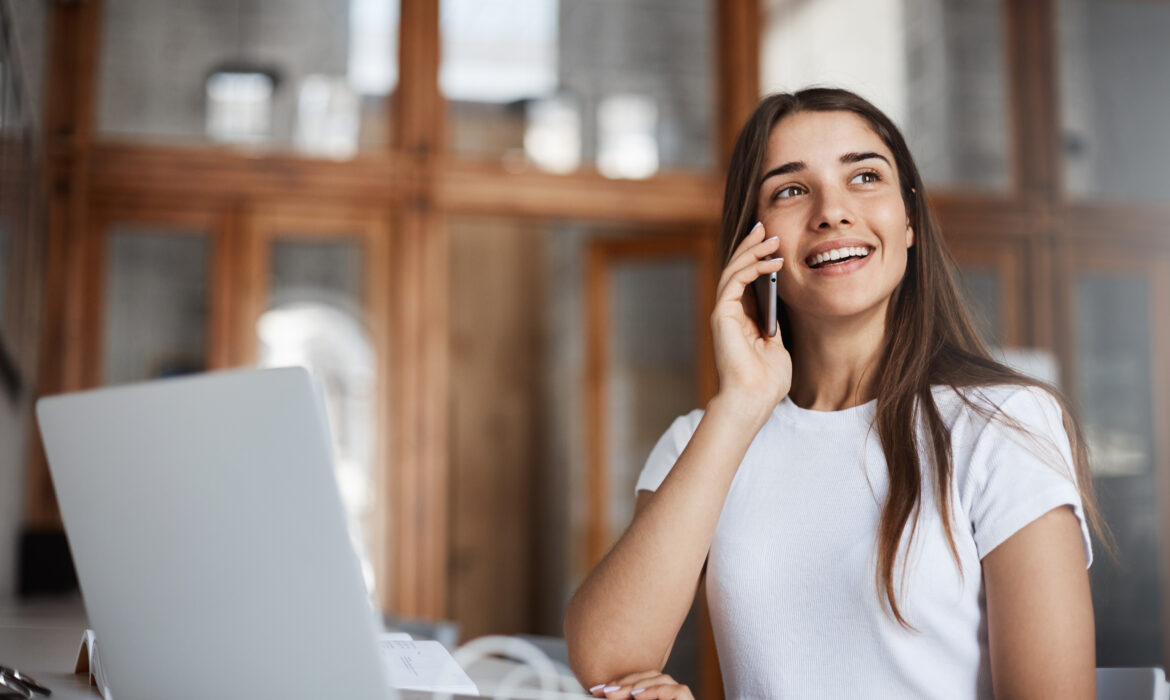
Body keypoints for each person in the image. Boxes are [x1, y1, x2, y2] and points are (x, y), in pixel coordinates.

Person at [563, 88, 1106, 699]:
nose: (832, 211)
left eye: (865, 177)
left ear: (909, 223)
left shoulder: (1003, 424)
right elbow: (606, 665)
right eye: (791, 190)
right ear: (754, 243)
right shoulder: (703, 439)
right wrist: (742, 402)